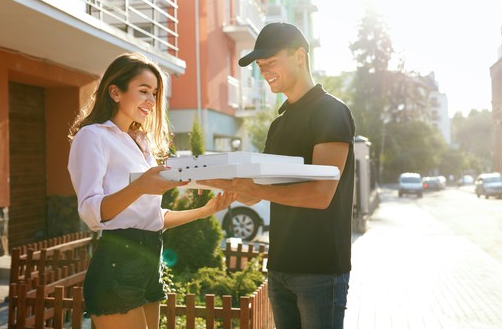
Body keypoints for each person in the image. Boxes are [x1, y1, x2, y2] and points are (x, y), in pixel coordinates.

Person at [199, 22, 356, 329]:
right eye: (260, 66)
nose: (264, 71)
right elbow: (255, 192)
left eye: (270, 62)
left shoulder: (331, 112)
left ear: (300, 56)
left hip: (321, 269)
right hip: (280, 266)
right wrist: (217, 181)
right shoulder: (279, 124)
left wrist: (253, 187)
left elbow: (320, 195)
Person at [67, 52, 235, 329]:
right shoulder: (92, 136)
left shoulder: (140, 143)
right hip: (116, 264)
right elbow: (91, 213)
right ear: (115, 92)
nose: (151, 101)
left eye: (155, 93)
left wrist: (207, 211)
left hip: (148, 260)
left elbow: (152, 217)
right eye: (143, 91)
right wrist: (141, 185)